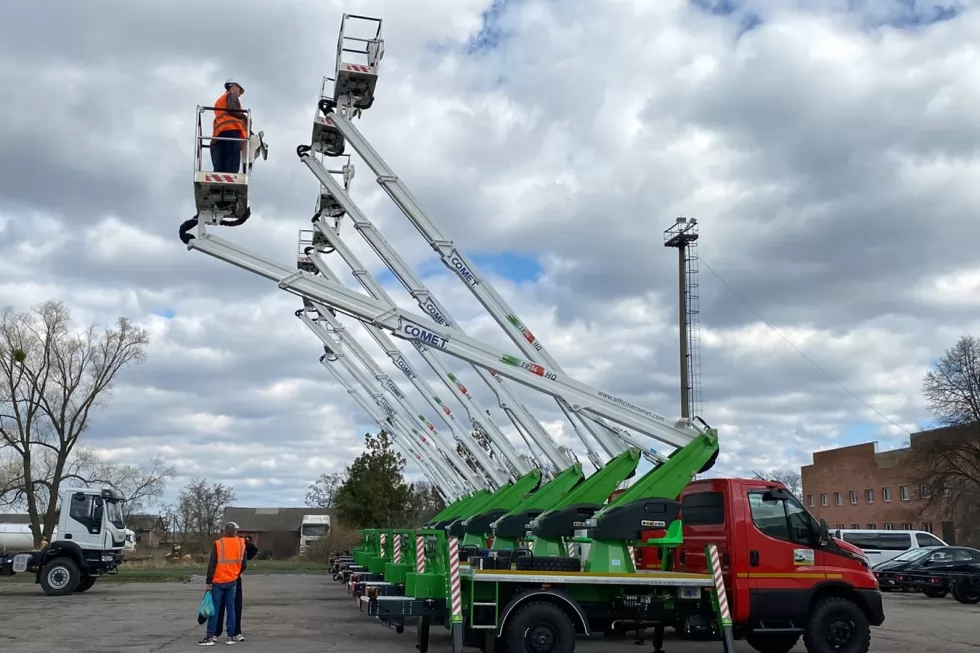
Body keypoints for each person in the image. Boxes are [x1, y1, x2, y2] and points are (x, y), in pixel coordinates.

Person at [198, 522, 248, 646]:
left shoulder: (219, 543)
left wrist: (208, 581)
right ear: (235, 532)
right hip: (232, 581)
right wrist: (236, 574)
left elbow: (212, 563)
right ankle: (230, 636)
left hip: (218, 581)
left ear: (225, 531)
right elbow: (244, 564)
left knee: (214, 609)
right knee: (231, 609)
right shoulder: (241, 543)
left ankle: (210, 636)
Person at [213, 534, 258, 641]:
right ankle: (225, 632)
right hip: (226, 578)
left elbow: (252, 551)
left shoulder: (239, 542)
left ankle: (232, 632)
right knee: (228, 606)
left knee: (232, 606)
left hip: (229, 578)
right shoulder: (223, 543)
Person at [211, 79, 248, 174]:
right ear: (234, 87)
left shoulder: (221, 100)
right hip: (230, 132)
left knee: (220, 167)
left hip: (218, 134)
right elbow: (232, 109)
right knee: (232, 161)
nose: (239, 95)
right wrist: (243, 117)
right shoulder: (231, 95)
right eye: (239, 91)